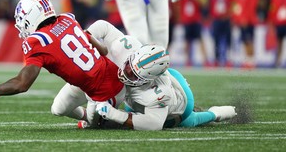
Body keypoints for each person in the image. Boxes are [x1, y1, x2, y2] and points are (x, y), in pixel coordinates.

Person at [0, 0, 126, 124]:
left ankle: (121, 115)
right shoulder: (67, 18)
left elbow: (21, 84)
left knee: (97, 122)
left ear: (30, 18)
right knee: (57, 108)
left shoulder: (36, 41)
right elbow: (102, 49)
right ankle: (93, 114)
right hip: (98, 75)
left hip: (107, 91)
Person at [80, 20, 237, 130]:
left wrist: (115, 115)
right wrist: (86, 37)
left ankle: (215, 113)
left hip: (181, 104)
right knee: (125, 111)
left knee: (190, 120)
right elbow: (103, 26)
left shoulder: (160, 94)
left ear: (148, 79)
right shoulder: (130, 46)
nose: (125, 74)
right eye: (128, 66)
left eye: (133, 75)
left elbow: (153, 125)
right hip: (159, 81)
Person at [232, 0, 260, 69]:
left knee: (249, 40)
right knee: (245, 40)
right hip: (242, 21)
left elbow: (252, 6)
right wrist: (236, 18)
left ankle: (251, 61)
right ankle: (248, 61)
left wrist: (246, 19)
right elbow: (238, 6)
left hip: (249, 21)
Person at [267, 0, 286, 68]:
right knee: (279, 42)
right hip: (279, 23)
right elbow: (272, 8)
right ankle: (277, 61)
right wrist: (271, 20)